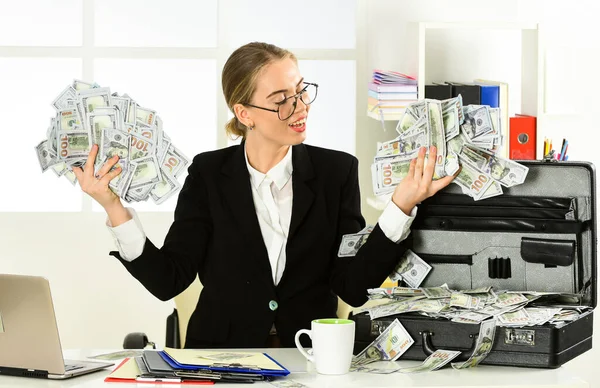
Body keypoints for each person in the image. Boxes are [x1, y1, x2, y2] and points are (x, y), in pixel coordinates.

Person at [72, 42, 457, 349]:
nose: (300, 106)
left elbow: (352, 287)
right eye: (281, 99)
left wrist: (401, 205)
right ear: (244, 113)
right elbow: (168, 280)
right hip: (221, 358)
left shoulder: (335, 172)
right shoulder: (208, 174)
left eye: (301, 91)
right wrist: (112, 206)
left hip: (308, 355)